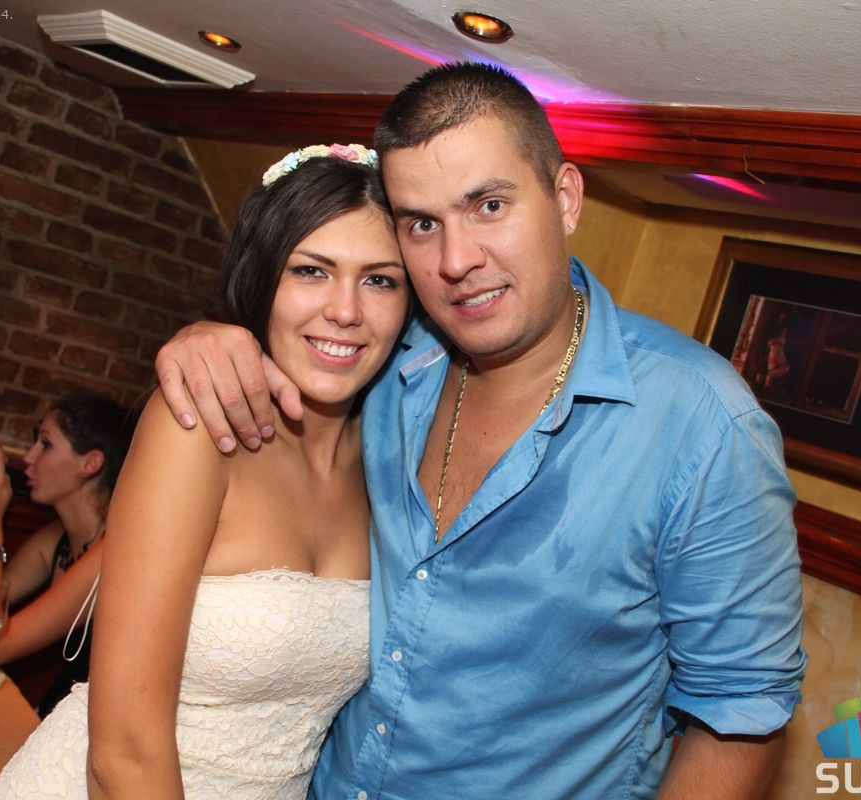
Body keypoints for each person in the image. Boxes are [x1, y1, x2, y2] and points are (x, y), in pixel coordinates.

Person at [156, 62, 807, 799]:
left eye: (489, 205)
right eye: (422, 224)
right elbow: (304, 333)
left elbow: (739, 715)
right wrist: (211, 337)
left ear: (565, 199)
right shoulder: (389, 361)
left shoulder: (700, 422)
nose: (456, 260)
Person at [0, 144, 409, 800]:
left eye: (380, 280)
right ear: (263, 279)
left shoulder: (393, 457)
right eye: (311, 271)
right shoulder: (199, 427)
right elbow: (123, 751)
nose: (346, 310)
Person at [0, 393, 135, 716]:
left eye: (45, 444)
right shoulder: (55, 540)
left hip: (98, 722)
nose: (29, 457)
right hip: (63, 709)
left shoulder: (113, 552)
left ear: (90, 463)